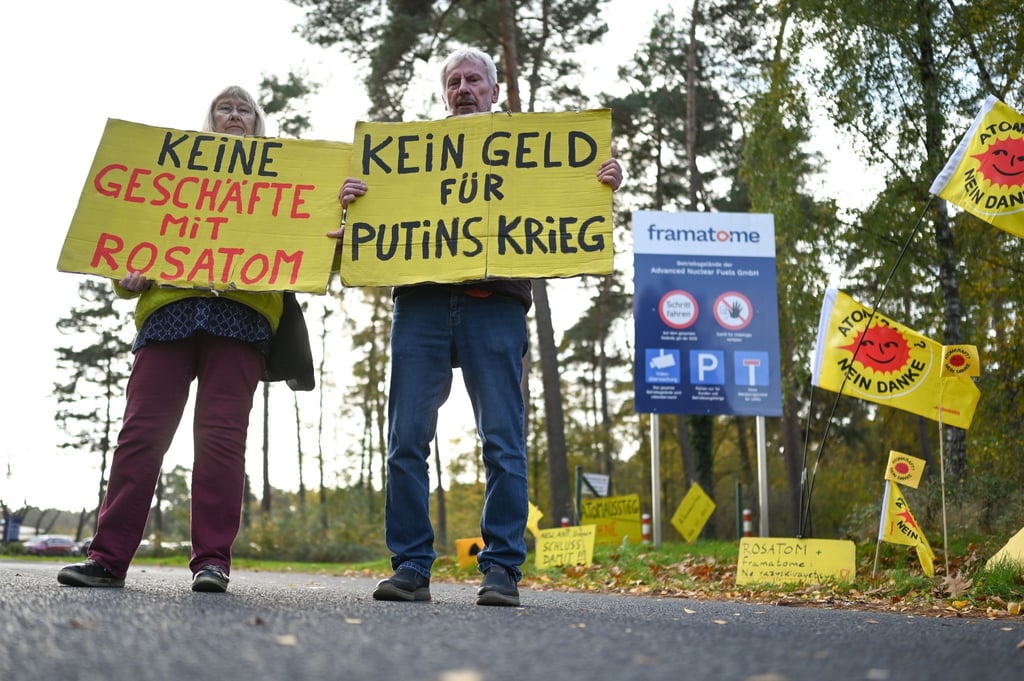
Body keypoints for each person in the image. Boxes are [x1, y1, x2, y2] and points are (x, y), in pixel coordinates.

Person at [336, 47, 623, 606]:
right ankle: (412, 567)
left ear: (495, 89)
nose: (464, 88)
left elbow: (572, 200)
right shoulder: (405, 158)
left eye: (474, 79)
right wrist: (354, 203)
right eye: (454, 82)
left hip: (496, 305)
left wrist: (602, 180)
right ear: (445, 94)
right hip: (420, 305)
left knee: (503, 442)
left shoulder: (533, 150)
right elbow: (367, 221)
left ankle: (500, 570)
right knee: (405, 442)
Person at [58, 86, 284, 593]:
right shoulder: (176, 175)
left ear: (257, 123)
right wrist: (127, 276)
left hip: (242, 316)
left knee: (222, 440)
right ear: (208, 121)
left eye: (243, 109)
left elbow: (311, 252)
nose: (233, 115)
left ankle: (211, 562)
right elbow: (131, 246)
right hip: (169, 314)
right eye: (223, 108)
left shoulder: (287, 181)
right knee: (141, 433)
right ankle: (108, 559)